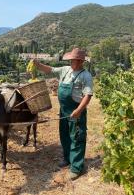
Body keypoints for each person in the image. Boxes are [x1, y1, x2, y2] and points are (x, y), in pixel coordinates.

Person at [33, 47, 93, 180]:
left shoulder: (85, 75)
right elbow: (50, 70)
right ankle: (67, 159)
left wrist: (78, 111)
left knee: (77, 138)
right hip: (64, 111)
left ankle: (77, 167)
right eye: (71, 59)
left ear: (81, 61)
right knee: (65, 136)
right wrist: (38, 65)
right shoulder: (65, 70)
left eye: (75, 60)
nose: (72, 62)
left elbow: (88, 95)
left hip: (77, 111)